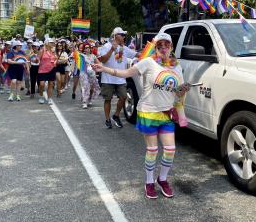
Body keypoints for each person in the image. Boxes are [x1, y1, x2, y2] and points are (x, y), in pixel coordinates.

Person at [92, 32, 190, 199]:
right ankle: (149, 182)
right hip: (148, 112)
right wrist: (104, 69)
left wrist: (182, 99)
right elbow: (125, 73)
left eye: (166, 45)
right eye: (160, 45)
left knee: (170, 150)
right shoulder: (148, 62)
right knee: (152, 150)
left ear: (171, 47)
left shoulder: (176, 67)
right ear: (155, 47)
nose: (163, 48)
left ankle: (163, 179)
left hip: (166, 113)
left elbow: (178, 93)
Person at [98, 27, 137, 128]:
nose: (124, 37)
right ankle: (107, 119)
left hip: (120, 78)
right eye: (122, 35)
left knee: (124, 97)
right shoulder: (106, 46)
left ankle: (116, 116)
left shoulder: (124, 48)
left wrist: (151, 52)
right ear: (115, 36)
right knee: (108, 99)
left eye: (124, 35)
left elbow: (137, 54)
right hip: (108, 78)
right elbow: (103, 60)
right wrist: (112, 49)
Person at [79, 43, 100, 109]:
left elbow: (98, 63)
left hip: (92, 73)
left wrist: (95, 66)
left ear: (90, 48)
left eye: (88, 47)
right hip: (84, 73)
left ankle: (89, 99)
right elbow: (79, 64)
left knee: (91, 88)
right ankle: (84, 102)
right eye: (85, 48)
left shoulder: (93, 56)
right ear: (84, 49)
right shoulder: (82, 56)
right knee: (85, 86)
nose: (87, 49)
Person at [38, 38, 57, 104]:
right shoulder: (42, 50)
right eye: (50, 42)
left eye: (52, 42)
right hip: (42, 69)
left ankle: (49, 98)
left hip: (52, 69)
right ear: (46, 43)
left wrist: (55, 62)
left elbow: (55, 58)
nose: (52, 44)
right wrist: (35, 60)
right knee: (42, 84)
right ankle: (41, 96)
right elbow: (38, 59)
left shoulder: (53, 51)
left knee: (50, 84)